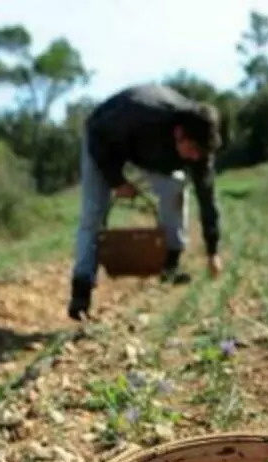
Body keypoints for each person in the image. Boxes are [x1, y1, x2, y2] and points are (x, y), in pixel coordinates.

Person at [68, 84, 223, 321]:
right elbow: (98, 136)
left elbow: (207, 196)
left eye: (200, 154)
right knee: (93, 213)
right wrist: (116, 181)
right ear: (179, 133)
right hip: (104, 140)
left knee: (175, 187)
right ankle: (81, 290)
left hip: (149, 154)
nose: (195, 158)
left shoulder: (200, 147)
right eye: (192, 150)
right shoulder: (141, 113)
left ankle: (170, 263)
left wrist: (213, 250)